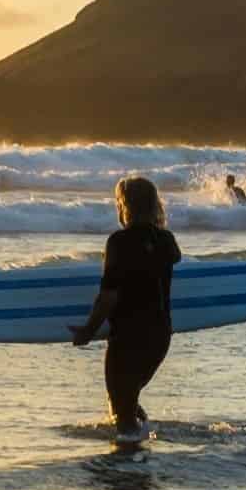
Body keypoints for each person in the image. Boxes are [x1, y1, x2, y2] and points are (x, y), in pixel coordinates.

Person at [70, 175, 181, 440]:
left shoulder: (119, 241)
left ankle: (131, 463)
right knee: (126, 400)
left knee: (121, 407)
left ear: (124, 206)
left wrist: (88, 330)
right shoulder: (167, 240)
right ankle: (142, 441)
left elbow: (108, 296)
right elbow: (172, 260)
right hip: (160, 337)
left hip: (128, 337)